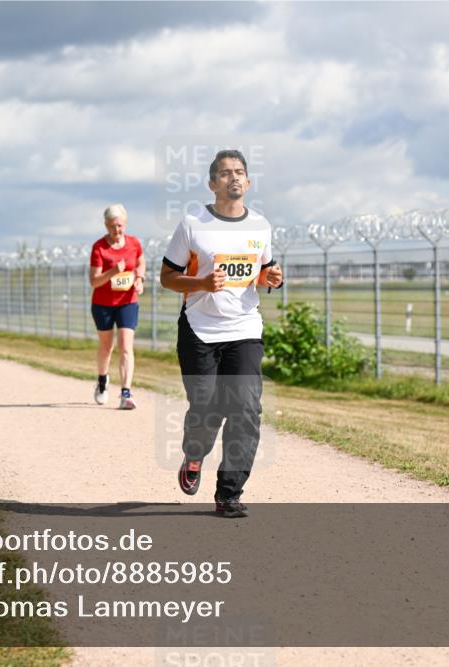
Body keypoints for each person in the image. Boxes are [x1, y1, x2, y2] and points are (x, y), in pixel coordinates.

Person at [160, 149, 283, 518]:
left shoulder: (260, 226)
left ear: (248, 182)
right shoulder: (192, 224)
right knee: (207, 406)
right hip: (200, 329)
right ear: (212, 184)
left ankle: (229, 493)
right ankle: (194, 453)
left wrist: (272, 278)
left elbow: (262, 272)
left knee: (245, 408)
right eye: (225, 173)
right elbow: (166, 277)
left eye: (240, 172)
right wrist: (199, 282)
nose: (233, 177)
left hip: (244, 328)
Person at [89, 204, 146, 410]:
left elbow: (140, 262)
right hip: (103, 304)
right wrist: (113, 271)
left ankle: (125, 393)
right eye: (112, 226)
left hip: (127, 302)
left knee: (125, 346)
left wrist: (139, 277)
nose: (117, 230)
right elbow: (94, 281)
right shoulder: (99, 248)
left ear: (125, 224)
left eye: (120, 226)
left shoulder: (133, 243)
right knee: (107, 347)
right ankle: (102, 381)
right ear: (106, 225)